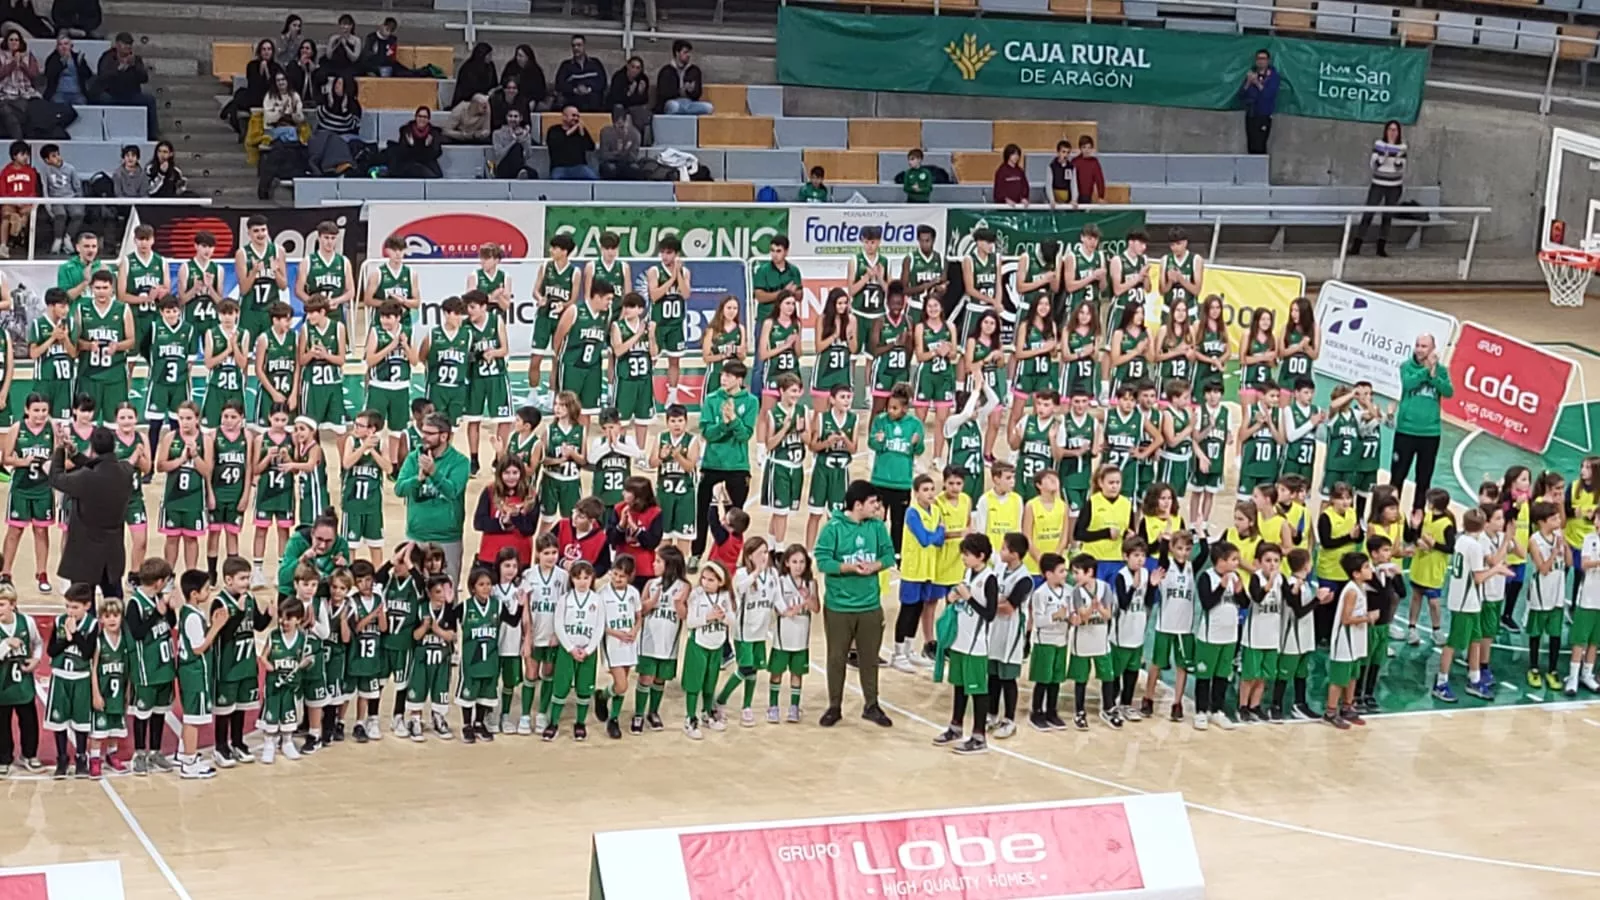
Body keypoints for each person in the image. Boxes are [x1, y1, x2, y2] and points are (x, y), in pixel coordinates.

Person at [815, 479, 895, 729]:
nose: (878, 507)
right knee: (836, 657)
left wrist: (876, 565)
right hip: (839, 606)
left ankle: (871, 705)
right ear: (857, 504)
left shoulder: (877, 527)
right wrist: (850, 567)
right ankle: (834, 706)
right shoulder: (833, 528)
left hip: (870, 605)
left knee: (869, 658)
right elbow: (822, 561)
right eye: (873, 502)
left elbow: (889, 555)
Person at [691, 359, 758, 565]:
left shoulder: (751, 402)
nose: (723, 379)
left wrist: (733, 421)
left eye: (728, 376)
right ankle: (696, 553)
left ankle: (731, 556)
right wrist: (724, 423)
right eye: (722, 375)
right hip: (712, 465)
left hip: (737, 467)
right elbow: (707, 433)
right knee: (702, 512)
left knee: (735, 516)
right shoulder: (712, 399)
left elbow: (745, 434)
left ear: (739, 379)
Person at [397, 412, 471, 587]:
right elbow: (400, 489)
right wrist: (418, 479)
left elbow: (452, 491)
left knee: (446, 592)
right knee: (415, 592)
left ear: (444, 436)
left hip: (447, 539)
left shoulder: (460, 462)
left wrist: (434, 473)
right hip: (417, 536)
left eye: (430, 433)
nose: (424, 437)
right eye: (423, 432)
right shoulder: (414, 458)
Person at [1391, 333, 1452, 509]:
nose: (1419, 349)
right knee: (1397, 478)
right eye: (1417, 345)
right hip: (1406, 431)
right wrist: (1426, 370)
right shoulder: (1406, 367)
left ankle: (1416, 523)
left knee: (1423, 481)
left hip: (1430, 433)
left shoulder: (1441, 371)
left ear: (1433, 349)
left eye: (1424, 346)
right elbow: (1409, 384)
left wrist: (1434, 376)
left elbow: (1448, 392)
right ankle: (1389, 518)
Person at [46, 583, 97, 778]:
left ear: (87, 606)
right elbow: (51, 651)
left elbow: (87, 653)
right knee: (59, 721)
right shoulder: (59, 621)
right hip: (60, 677)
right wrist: (66, 639)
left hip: (81, 678)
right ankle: (61, 758)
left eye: (75, 607)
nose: (70, 611)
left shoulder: (92, 625)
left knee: (81, 722)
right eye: (67, 606)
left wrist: (74, 634)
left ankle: (81, 757)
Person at [1350, 120, 1407, 257]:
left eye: (1395, 130)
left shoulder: (1403, 147)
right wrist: (1384, 158)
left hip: (1394, 186)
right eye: (1390, 130)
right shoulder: (1379, 145)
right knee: (1368, 213)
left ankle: (1381, 247)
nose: (1392, 133)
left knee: (1387, 217)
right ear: (1386, 131)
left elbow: (1401, 169)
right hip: (1378, 184)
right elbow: (1373, 165)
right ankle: (1357, 245)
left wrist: (1398, 160)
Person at [92, 33, 158, 139]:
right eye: (125, 44)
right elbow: (102, 77)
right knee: (101, 99)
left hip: (131, 95)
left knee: (150, 100)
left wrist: (135, 67)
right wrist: (119, 69)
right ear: (118, 45)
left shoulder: (136, 60)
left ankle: (152, 135)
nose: (128, 47)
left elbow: (144, 79)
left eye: (130, 44)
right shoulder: (107, 57)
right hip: (112, 94)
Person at [37, 143, 82, 256]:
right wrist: (48, 205)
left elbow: (77, 186)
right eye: (53, 156)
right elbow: (45, 187)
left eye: (57, 154)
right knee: (60, 215)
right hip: (55, 199)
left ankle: (68, 237)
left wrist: (80, 201)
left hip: (71, 198)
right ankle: (57, 240)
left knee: (78, 214)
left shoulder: (70, 168)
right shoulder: (45, 170)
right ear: (46, 160)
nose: (57, 158)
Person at [655, 39, 711, 116]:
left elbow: (698, 93)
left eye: (689, 52)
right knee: (674, 106)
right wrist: (680, 91)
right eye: (685, 52)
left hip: (689, 102)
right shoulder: (666, 71)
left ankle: (685, 111)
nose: (688, 55)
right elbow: (663, 94)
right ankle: (686, 111)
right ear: (677, 53)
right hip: (673, 102)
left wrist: (691, 91)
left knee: (709, 107)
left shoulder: (694, 70)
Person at [0, 139, 35, 257]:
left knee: (25, 215)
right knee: (6, 216)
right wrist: (14, 201)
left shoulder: (31, 172)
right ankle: (3, 246)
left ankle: (18, 233)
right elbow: (3, 191)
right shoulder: (5, 171)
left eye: (27, 154)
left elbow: (32, 191)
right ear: (14, 156)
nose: (26, 157)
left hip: (26, 203)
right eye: (22, 154)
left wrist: (25, 202)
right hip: (10, 202)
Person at [1239, 48, 1278, 155]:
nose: (1261, 61)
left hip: (1263, 115)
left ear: (1268, 61)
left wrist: (1257, 83)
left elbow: (1268, 94)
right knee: (1251, 145)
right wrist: (1248, 82)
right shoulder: (1251, 74)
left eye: (1263, 58)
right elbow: (1242, 95)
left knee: (1260, 145)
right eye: (1258, 58)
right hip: (1251, 114)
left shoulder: (1272, 76)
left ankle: (1261, 169)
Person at [554, 34, 606, 112]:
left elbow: (602, 82)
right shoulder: (566, 65)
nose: (576, 48)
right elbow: (559, 84)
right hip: (573, 98)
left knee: (594, 98)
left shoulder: (595, 63)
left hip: (593, 99)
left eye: (579, 45)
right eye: (573, 46)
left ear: (584, 46)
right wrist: (575, 90)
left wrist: (588, 89)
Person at [546, 105, 597, 180]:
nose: (576, 118)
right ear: (564, 117)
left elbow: (591, 147)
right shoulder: (554, 130)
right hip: (560, 168)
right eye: (573, 115)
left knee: (594, 179)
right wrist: (574, 128)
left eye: (577, 116)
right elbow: (558, 143)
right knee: (555, 179)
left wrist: (582, 133)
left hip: (580, 167)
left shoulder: (580, 131)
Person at [389, 107, 442, 178]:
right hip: (409, 163)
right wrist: (414, 147)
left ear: (428, 119)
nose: (422, 119)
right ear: (416, 117)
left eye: (425, 117)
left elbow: (436, 152)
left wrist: (425, 147)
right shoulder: (406, 130)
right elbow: (402, 152)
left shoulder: (433, 133)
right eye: (420, 116)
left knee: (436, 176)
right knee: (414, 169)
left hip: (427, 162)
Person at [604, 55, 650, 136]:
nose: (635, 70)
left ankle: (639, 138)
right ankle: (618, 136)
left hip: (633, 105)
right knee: (619, 107)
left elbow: (644, 99)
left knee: (640, 110)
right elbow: (616, 98)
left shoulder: (643, 79)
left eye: (638, 68)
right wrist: (629, 93)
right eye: (633, 67)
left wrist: (640, 93)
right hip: (617, 105)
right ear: (627, 66)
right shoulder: (619, 77)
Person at [491, 107, 539, 179]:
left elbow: (528, 155)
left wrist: (524, 140)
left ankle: (520, 173)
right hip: (503, 166)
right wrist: (514, 141)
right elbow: (499, 154)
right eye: (510, 116)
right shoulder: (497, 133)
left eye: (516, 116)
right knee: (516, 147)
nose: (513, 119)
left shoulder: (524, 134)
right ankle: (519, 173)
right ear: (506, 118)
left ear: (520, 118)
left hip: (519, 165)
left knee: (533, 173)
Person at [597, 105, 643, 181]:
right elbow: (604, 155)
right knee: (609, 169)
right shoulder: (605, 132)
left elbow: (633, 157)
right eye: (616, 118)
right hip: (611, 162)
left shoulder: (635, 133)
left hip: (627, 162)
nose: (619, 123)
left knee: (635, 170)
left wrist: (622, 152)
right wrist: (618, 153)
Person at [45, 35, 93, 106]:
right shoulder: (52, 59)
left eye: (66, 44)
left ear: (71, 46)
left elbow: (88, 75)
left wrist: (81, 65)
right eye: (60, 44)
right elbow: (49, 75)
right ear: (57, 47)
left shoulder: (77, 58)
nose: (63, 47)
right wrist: (61, 64)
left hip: (77, 93)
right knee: (58, 103)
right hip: (59, 93)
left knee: (82, 102)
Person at [262, 71, 305, 144]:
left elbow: (300, 120)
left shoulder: (294, 95)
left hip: (292, 128)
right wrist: (281, 112)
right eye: (278, 80)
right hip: (273, 129)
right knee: (291, 133)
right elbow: (268, 119)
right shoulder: (270, 96)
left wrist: (294, 111)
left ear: (287, 81)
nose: (281, 82)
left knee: (288, 136)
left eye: (283, 79)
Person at [501, 44, 548, 109]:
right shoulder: (511, 66)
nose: (518, 58)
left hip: (529, 98)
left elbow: (540, 90)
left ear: (527, 57)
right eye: (517, 55)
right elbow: (503, 82)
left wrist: (533, 99)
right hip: (512, 95)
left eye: (521, 56)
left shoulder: (535, 70)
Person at [452, 42, 498, 108]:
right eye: (489, 55)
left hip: (487, 98)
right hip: (469, 100)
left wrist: (492, 91)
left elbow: (494, 83)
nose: (490, 57)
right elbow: (466, 89)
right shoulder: (468, 68)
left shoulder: (490, 66)